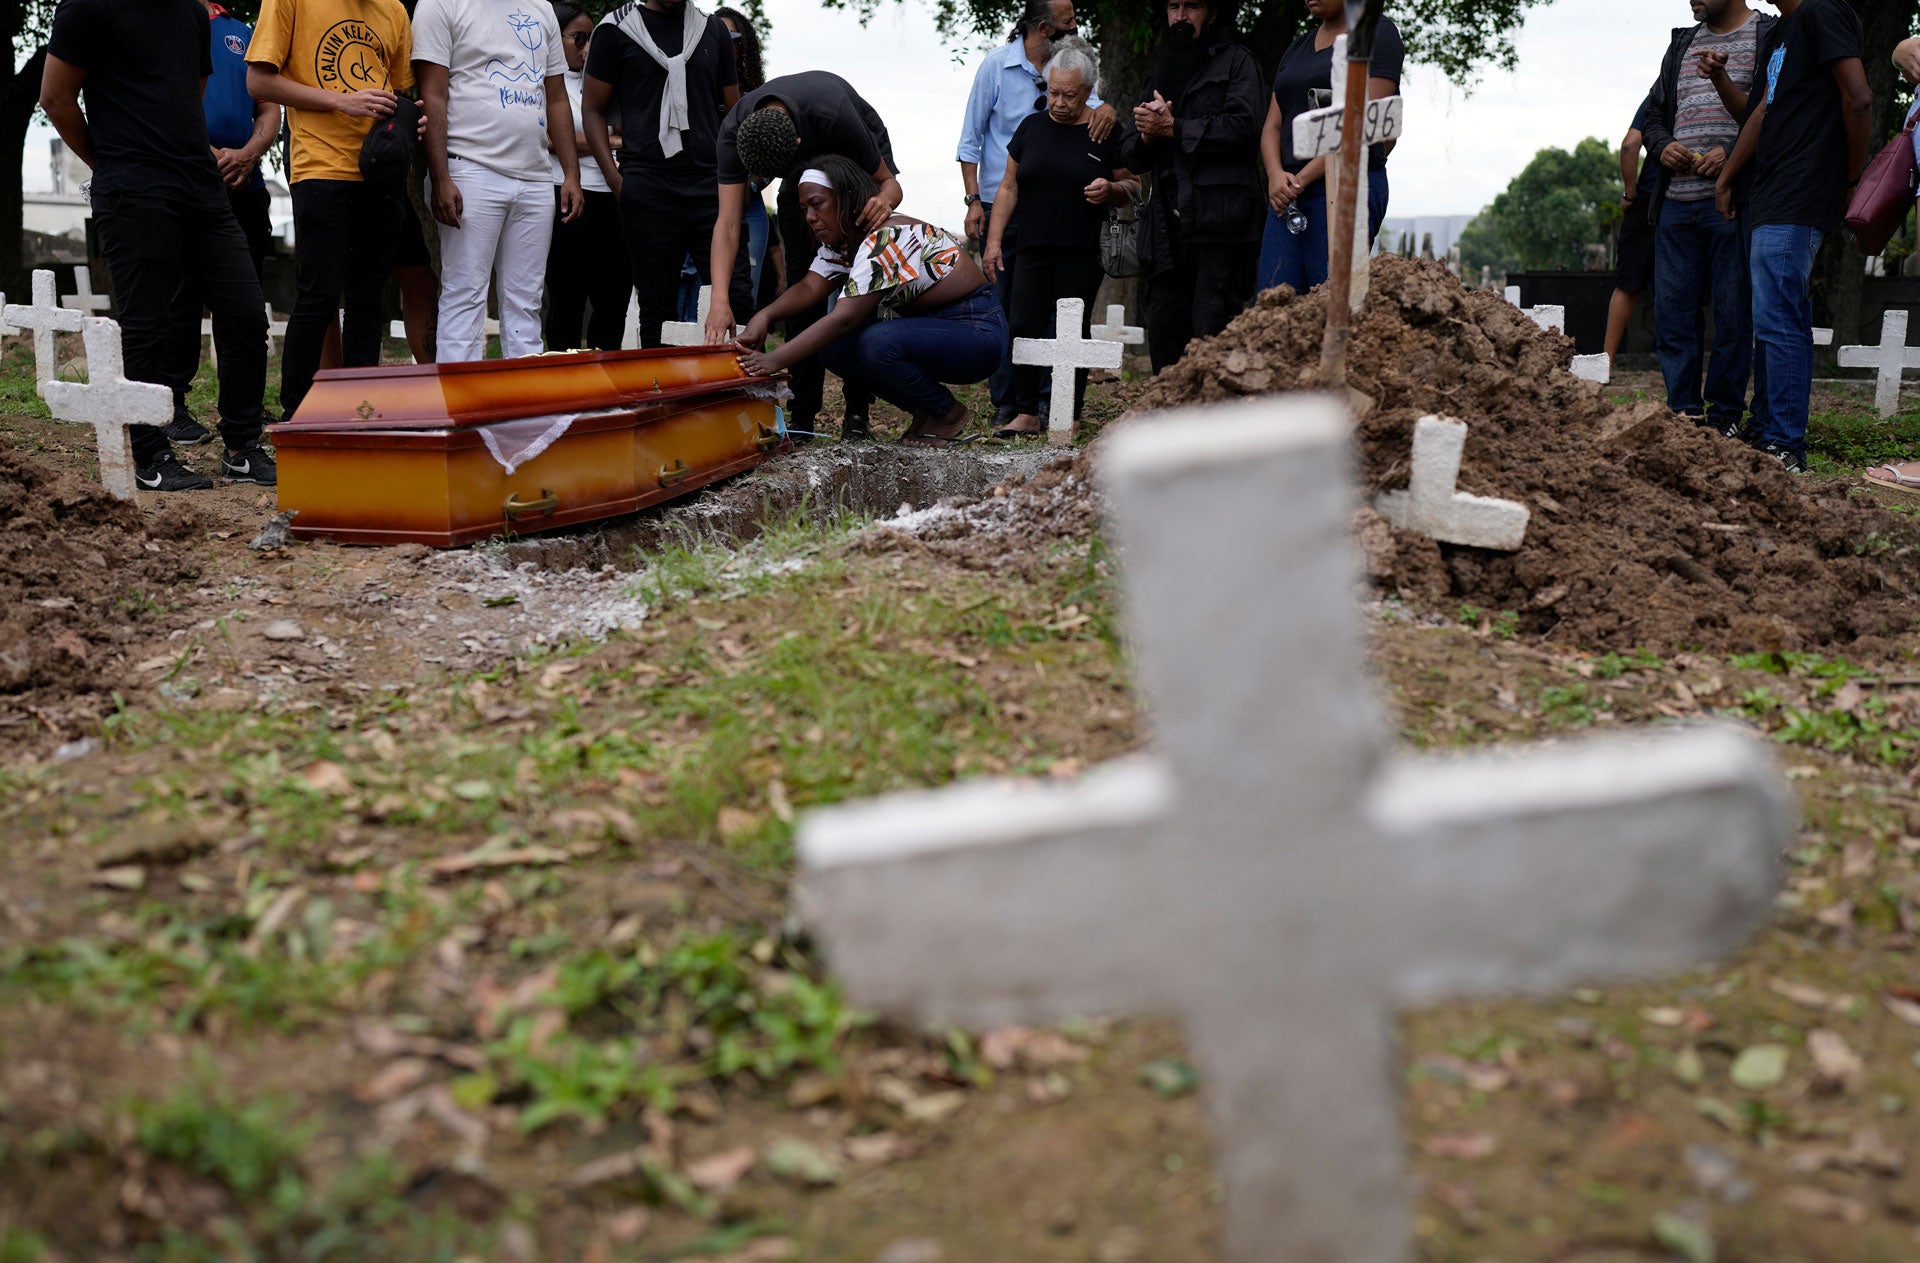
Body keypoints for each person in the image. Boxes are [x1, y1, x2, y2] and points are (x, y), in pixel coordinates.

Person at [40, 0, 276, 491]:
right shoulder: (86, 7)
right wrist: (110, 162)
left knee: (247, 314)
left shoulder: (190, 12)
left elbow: (191, 94)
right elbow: (56, 98)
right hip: (133, 187)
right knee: (147, 324)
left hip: (199, 185)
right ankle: (149, 454)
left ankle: (242, 446)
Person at [734, 157, 1004, 447]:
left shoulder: (886, 239)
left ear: (846, 198)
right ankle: (927, 409)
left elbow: (844, 318)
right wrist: (764, 316)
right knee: (834, 348)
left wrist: (774, 359)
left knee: (876, 340)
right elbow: (811, 285)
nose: (810, 216)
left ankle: (947, 413)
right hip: (931, 329)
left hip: (975, 330)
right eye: (804, 210)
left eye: (818, 204)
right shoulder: (843, 243)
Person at [1715, 0, 1869, 473]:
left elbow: (1859, 99)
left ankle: (1785, 446)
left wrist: (1850, 181)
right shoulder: (1782, 33)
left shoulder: (1823, 11)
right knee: (1776, 321)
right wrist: (1727, 178)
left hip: (1803, 188)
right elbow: (1762, 112)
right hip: (1770, 191)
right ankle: (1766, 433)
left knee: (1780, 320)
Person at [710, 71, 901, 438]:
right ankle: (802, 413)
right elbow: (728, 223)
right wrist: (720, 299)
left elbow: (889, 183)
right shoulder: (735, 136)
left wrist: (880, 207)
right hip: (801, 169)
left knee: (858, 291)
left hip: (854, 162)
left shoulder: (835, 115)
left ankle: (857, 411)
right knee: (801, 287)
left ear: (797, 143)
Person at [247, 0, 412, 417]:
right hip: (321, 167)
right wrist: (342, 101)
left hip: (380, 171)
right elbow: (259, 82)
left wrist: (409, 121)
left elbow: (398, 91)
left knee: (368, 296)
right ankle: (298, 414)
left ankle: (359, 412)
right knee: (318, 295)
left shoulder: (393, 9)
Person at [957, 0, 1114, 430]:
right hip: (1002, 207)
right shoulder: (996, 70)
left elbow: (1097, 110)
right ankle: (1011, 406)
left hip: (1065, 218)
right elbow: (971, 141)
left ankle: (1055, 406)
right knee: (1011, 309)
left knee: (1061, 314)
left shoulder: (1071, 69)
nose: (1076, 27)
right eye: (1068, 23)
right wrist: (974, 202)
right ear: (1044, 29)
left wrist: (1111, 112)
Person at [984, 40, 1137, 439]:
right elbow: (1008, 187)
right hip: (1032, 246)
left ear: (1088, 92)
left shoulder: (1104, 129)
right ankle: (1026, 412)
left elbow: (1134, 183)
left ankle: (1067, 410)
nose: (1059, 102)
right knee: (1023, 324)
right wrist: (993, 241)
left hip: (1080, 250)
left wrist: (1112, 189)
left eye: (1070, 95)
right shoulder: (1031, 127)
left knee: (1071, 328)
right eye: (1053, 92)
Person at [415, 0, 579, 363]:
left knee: (526, 301)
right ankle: (460, 411)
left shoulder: (541, 7)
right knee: (465, 295)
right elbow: (432, 94)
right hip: (470, 168)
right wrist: (441, 177)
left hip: (536, 176)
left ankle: (524, 410)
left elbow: (555, 96)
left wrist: (570, 173)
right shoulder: (440, 4)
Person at [581, 0, 745, 348]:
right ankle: (663, 398)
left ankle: (742, 396)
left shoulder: (711, 29)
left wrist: (742, 172)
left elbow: (734, 110)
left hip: (710, 184)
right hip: (648, 183)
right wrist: (616, 181)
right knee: (657, 309)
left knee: (737, 295)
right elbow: (592, 109)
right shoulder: (616, 30)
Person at [1641, 0, 1771, 438]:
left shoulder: (1768, 35)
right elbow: (1654, 116)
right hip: (1675, 202)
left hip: (1732, 204)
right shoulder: (1682, 42)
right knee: (1673, 315)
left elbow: (1777, 114)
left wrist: (1734, 156)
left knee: (1734, 316)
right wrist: (1662, 147)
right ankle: (1683, 411)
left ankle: (1724, 417)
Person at [1120, 0, 1266, 372]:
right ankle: (1169, 424)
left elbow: (1244, 128)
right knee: (1165, 332)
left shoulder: (1237, 62)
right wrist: (1148, 136)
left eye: (1192, 6)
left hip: (1221, 227)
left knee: (1212, 334)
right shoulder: (1161, 72)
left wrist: (1174, 128)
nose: (1180, 17)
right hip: (1167, 231)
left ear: (1212, 12)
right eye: (1172, 6)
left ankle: (1215, 427)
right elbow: (1132, 155)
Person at [164, 0, 281, 448]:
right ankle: (171, 405)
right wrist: (211, 156)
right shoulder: (171, 22)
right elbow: (173, 102)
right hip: (190, 181)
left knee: (244, 305)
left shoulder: (247, 31)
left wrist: (249, 154)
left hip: (247, 187)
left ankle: (243, 408)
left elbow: (268, 107)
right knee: (181, 300)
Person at [1256, 0, 1402, 294]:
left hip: (1346, 185)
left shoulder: (1376, 31)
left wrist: (1301, 179)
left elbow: (1364, 123)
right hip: (1287, 196)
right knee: (1273, 306)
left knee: (1330, 301)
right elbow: (1273, 124)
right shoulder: (1298, 47)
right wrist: (1275, 174)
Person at [544, 2, 630, 351]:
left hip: (613, 194)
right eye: (579, 38)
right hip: (564, 191)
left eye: (592, 38)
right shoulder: (546, 80)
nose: (587, 47)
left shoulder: (603, 80)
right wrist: (608, 140)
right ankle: (561, 380)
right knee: (568, 296)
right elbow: (549, 138)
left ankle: (606, 382)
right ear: (555, 36)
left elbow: (633, 131)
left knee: (614, 295)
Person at [715, 7, 774, 297]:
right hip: (699, 202)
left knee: (744, 293)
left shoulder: (759, 97)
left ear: (744, 45)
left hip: (748, 205)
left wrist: (752, 184)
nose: (724, 45)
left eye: (732, 37)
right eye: (717, 37)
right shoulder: (692, 91)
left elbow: (773, 156)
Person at [1606, 98, 1660, 366]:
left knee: (1627, 285)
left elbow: (1630, 146)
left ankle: (1606, 361)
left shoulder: (1658, 93)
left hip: (1648, 197)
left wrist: (1630, 193)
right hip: (1692, 196)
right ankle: (1679, 370)